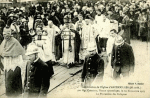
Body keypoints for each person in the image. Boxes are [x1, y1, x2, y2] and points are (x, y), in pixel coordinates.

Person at [0, 27, 25, 97]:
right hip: (7, 63)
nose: (6, 36)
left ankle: (16, 94)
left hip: (14, 63)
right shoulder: (4, 41)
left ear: (10, 34)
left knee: (13, 78)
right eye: (4, 34)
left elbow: (21, 51)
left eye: (8, 34)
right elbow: (1, 51)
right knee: (8, 80)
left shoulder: (14, 41)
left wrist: (12, 54)